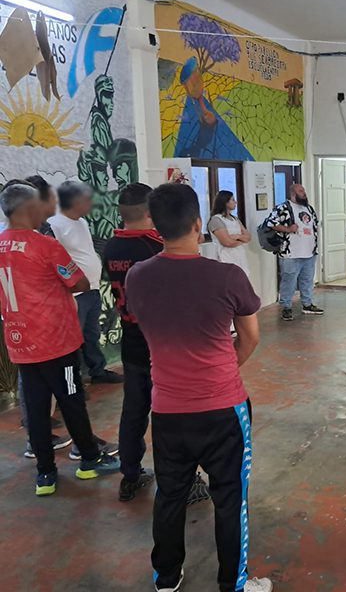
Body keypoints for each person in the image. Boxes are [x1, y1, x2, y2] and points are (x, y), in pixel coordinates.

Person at [125, 183, 271, 592]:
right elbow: (251, 337)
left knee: (170, 495)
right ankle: (233, 584)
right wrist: (222, 369)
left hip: (168, 410)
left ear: (156, 226)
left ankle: (166, 577)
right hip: (223, 409)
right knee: (230, 497)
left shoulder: (138, 277)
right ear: (197, 224)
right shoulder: (227, 276)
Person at [0, 183, 120, 496]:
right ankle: (89, 459)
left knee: (36, 407)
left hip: (21, 342)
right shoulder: (45, 245)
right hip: (55, 340)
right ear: (29, 209)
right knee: (71, 400)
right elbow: (78, 282)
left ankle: (45, 474)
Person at [104, 183, 212, 504]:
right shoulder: (155, 248)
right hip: (166, 348)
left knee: (134, 412)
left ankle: (130, 475)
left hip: (132, 343)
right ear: (150, 212)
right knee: (177, 415)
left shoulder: (111, 247)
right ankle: (186, 481)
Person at [48, 181, 123, 386]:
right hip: (74, 294)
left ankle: (97, 371)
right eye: (87, 199)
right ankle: (72, 383)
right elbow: (55, 262)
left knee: (92, 334)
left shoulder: (81, 222)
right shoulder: (55, 224)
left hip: (92, 288)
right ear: (75, 201)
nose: (91, 203)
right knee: (72, 339)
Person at [266, 183, 324, 322]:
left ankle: (307, 304)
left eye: (304, 190)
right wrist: (288, 229)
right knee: (289, 281)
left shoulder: (308, 208)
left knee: (307, 280)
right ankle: (286, 307)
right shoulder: (283, 208)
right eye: (301, 191)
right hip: (291, 254)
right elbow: (271, 223)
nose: (304, 193)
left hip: (309, 253)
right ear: (293, 193)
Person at [209, 190, 252, 278]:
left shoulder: (235, 219)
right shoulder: (216, 220)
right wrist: (241, 240)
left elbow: (248, 237)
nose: (235, 202)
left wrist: (237, 236)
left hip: (240, 256)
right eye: (232, 200)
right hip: (226, 257)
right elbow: (227, 242)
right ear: (225, 202)